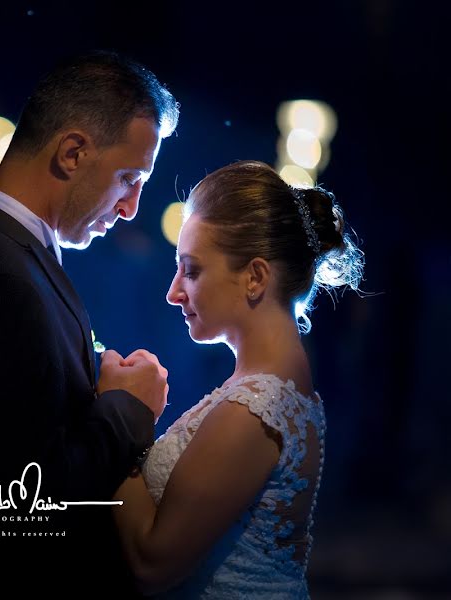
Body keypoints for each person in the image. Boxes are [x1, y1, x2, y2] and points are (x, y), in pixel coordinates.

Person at [0, 51, 179, 597]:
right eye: (129, 177)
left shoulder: (12, 254)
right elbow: (20, 506)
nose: (131, 207)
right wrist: (128, 407)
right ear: (73, 152)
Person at [112, 161, 364, 598]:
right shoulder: (273, 390)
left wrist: (119, 418)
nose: (173, 292)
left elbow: (151, 564)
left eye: (191, 270)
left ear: (254, 277)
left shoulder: (253, 410)